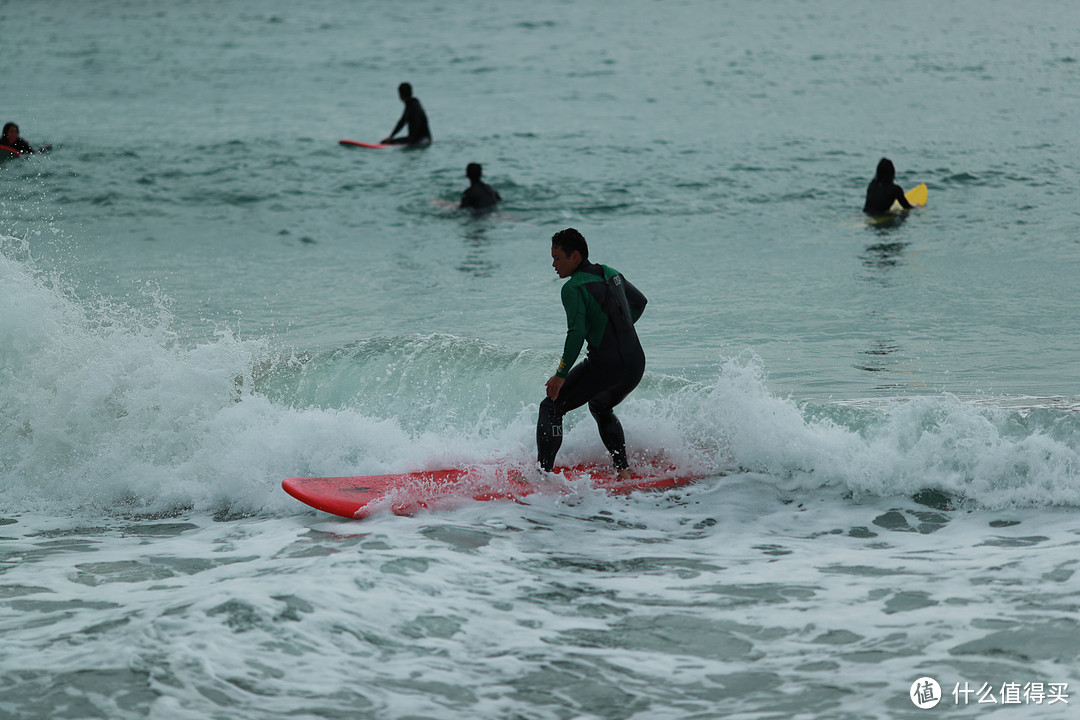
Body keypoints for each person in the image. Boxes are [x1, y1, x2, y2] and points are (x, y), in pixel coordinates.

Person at [537, 228, 648, 478]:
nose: (553, 264)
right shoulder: (611, 273)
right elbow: (640, 302)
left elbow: (576, 334)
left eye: (557, 257)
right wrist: (619, 329)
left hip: (606, 364)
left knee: (551, 407)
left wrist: (560, 374)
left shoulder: (573, 288)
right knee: (600, 405)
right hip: (635, 361)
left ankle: (542, 476)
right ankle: (623, 470)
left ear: (574, 256)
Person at [381, 83, 431, 147]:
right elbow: (402, 122)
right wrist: (391, 137)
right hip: (415, 138)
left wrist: (409, 143)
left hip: (423, 140)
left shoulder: (414, 106)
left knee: (404, 147)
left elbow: (416, 125)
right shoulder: (410, 105)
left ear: (400, 95)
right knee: (384, 143)